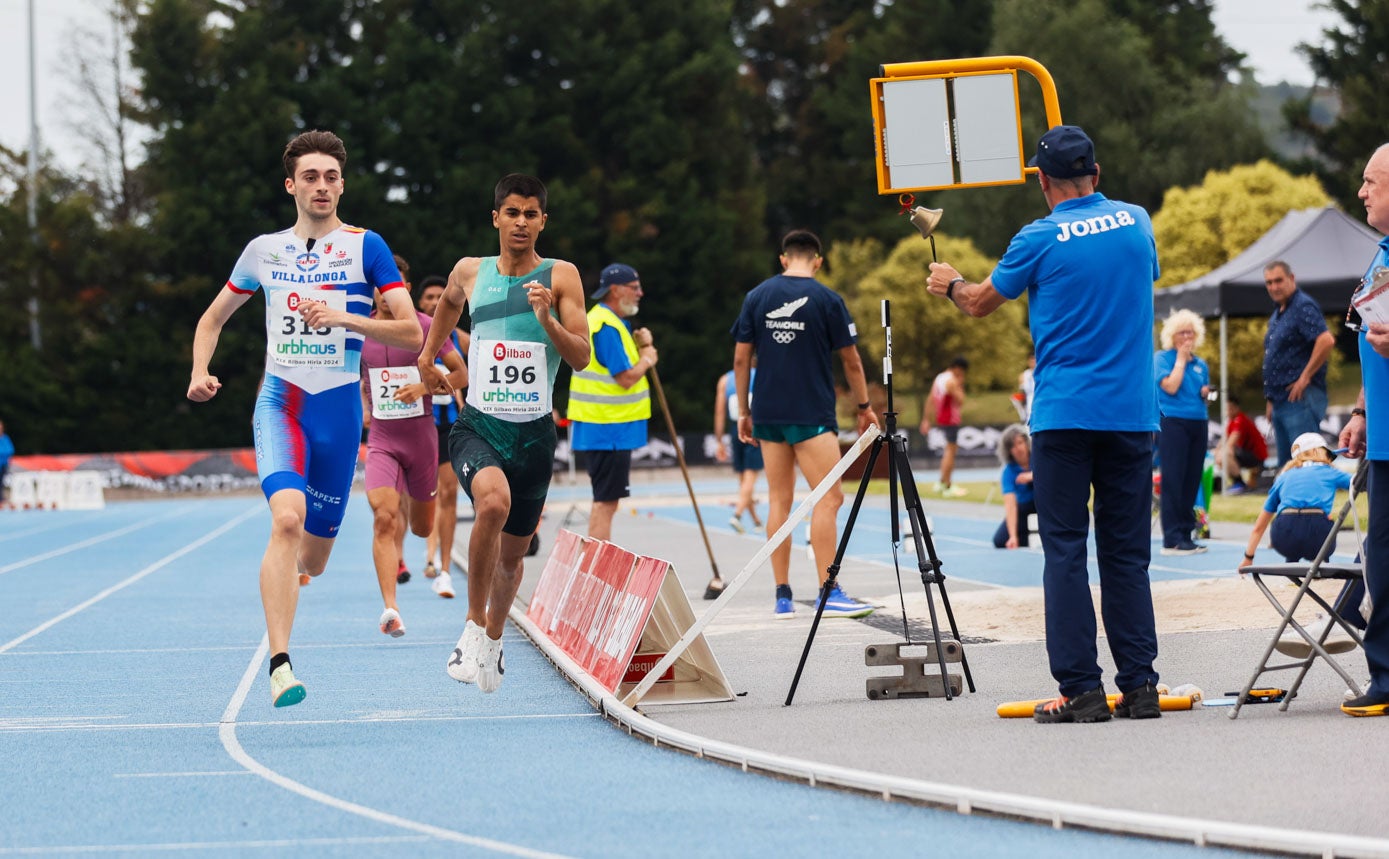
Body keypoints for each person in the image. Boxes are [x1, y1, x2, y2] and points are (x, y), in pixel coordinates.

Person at [926, 125, 1162, 723]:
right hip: (1132, 412)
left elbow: (980, 302)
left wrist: (949, 282)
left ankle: (1082, 690)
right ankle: (1139, 688)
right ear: (1097, 173)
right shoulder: (1137, 221)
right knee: (1127, 556)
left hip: (1064, 414)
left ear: (1041, 180)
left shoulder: (1039, 236)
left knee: (1063, 551)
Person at [187, 130, 422, 707]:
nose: (322, 186)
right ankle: (281, 665)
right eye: (311, 177)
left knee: (312, 555)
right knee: (285, 523)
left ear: (343, 184)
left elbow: (412, 330)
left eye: (332, 177)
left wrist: (347, 318)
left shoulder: (367, 247)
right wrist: (199, 370)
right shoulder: (263, 250)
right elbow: (212, 319)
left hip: (339, 413)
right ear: (291, 185)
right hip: (281, 403)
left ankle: (294, 580)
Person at [417, 173, 590, 694]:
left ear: (543, 221)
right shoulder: (470, 272)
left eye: (530, 213)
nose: (521, 222)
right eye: (511, 212)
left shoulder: (561, 276)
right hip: (480, 425)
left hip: (535, 433)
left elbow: (580, 356)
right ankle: (472, 627)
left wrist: (547, 320)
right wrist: (427, 357)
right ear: (496, 218)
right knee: (491, 504)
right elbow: (446, 304)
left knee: (512, 560)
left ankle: (493, 640)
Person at [733, 229, 878, 620]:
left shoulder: (757, 297)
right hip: (810, 414)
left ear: (783, 259)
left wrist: (745, 411)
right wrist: (863, 406)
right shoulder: (828, 300)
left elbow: (741, 360)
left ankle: (782, 595)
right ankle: (827, 591)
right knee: (828, 498)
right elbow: (851, 361)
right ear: (818, 259)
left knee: (780, 500)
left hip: (767, 412)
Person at [359, 283, 465, 636]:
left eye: (393, 287)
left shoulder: (426, 326)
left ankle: (431, 555)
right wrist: (362, 407)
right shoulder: (361, 327)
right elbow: (355, 378)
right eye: (378, 288)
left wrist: (423, 387)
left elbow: (461, 374)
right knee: (384, 516)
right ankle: (391, 608)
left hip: (421, 438)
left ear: (404, 289)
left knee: (421, 527)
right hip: (383, 439)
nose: (385, 295)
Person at [1337, 141, 1389, 716]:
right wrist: (1360, 412)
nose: (1361, 191)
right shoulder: (1381, 252)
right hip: (1383, 437)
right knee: (1381, 558)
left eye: (1371, 181)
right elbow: (1371, 337)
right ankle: (1385, 676)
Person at [566, 263, 657, 542]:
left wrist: (641, 346)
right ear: (616, 291)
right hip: (608, 427)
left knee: (607, 500)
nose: (640, 293)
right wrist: (648, 358)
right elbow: (626, 378)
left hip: (605, 426)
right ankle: (596, 567)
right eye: (635, 287)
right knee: (605, 503)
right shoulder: (606, 327)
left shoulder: (608, 322)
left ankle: (595, 564)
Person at [417, 273, 469, 599]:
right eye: (429, 298)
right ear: (420, 303)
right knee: (425, 496)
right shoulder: (413, 332)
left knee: (448, 494)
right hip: (419, 423)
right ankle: (429, 553)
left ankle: (442, 565)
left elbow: (466, 376)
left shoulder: (460, 338)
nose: (436, 303)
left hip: (450, 423)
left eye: (441, 297)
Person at [1263, 260, 1334, 466]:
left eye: (1278, 280)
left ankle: (1311, 499)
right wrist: (1270, 398)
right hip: (1281, 399)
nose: (1274, 287)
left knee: (1306, 462)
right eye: (1269, 283)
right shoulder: (1279, 312)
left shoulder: (1302, 305)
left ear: (1291, 278)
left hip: (1300, 397)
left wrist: (1305, 378)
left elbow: (1326, 340)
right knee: (1288, 465)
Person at [1155, 309, 1212, 556]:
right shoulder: (1163, 358)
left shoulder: (1201, 364)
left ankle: (1187, 532)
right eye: (1182, 332)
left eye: (1190, 332)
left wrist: (1207, 393)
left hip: (1198, 421)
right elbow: (1170, 386)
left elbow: (1206, 396)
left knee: (1192, 479)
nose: (1187, 337)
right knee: (1174, 478)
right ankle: (1172, 537)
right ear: (1172, 335)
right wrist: (1180, 358)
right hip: (1172, 421)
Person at [714, 366, 763, 533]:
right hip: (755, 427)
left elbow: (720, 412)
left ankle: (756, 521)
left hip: (736, 429)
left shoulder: (725, 380)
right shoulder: (761, 374)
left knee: (743, 480)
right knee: (750, 478)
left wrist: (719, 440)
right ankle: (737, 514)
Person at [927, 356, 969, 497]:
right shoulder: (952, 380)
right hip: (950, 418)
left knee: (948, 450)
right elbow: (961, 399)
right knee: (950, 451)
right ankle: (947, 484)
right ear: (958, 368)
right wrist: (960, 384)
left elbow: (931, 397)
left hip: (942, 417)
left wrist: (926, 418)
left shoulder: (939, 378)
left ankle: (941, 481)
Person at [993, 424, 1035, 549]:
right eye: (1012, 446)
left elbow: (1052, 475)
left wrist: (1031, 476)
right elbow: (1010, 505)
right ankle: (1027, 537)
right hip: (1023, 507)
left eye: (1020, 443)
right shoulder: (1008, 471)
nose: (1017, 448)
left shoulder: (1039, 459)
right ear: (1008, 451)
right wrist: (1012, 536)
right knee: (1000, 540)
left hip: (1044, 505)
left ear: (1027, 443)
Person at [1221, 395, 1267, 495]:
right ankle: (1237, 482)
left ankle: (1240, 483)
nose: (1227, 411)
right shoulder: (1230, 422)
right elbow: (1223, 440)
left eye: (1230, 408)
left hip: (1257, 456)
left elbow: (1231, 442)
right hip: (1246, 454)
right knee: (1220, 454)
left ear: (1236, 407)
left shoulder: (1240, 419)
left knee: (1225, 454)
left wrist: (1221, 452)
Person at [0, 419, 12, 505]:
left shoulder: (5, 438)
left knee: (2, 482)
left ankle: (1, 499)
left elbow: (10, 450)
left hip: (3, 464)